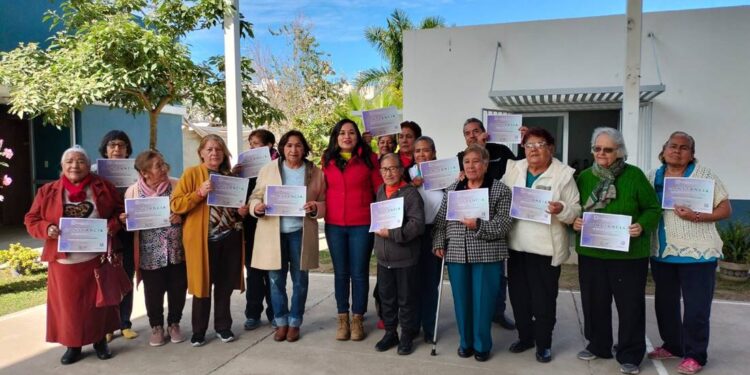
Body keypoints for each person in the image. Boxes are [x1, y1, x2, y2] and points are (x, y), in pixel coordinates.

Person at [572, 127, 661, 375]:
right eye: (597, 148)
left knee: (630, 305)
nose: (602, 153)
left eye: (608, 149)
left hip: (629, 256)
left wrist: (641, 226)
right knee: (594, 302)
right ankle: (598, 345)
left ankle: (630, 353)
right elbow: (574, 208)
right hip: (592, 254)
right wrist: (575, 222)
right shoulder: (585, 177)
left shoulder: (635, 176)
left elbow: (653, 208)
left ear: (620, 151)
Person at [24, 146, 122, 365]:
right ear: (62, 165)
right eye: (69, 161)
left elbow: (119, 212)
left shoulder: (103, 187)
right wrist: (47, 228)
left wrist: (112, 226)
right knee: (69, 308)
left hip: (97, 258)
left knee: (99, 305)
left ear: (88, 165)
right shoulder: (47, 191)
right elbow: (31, 219)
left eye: (80, 161)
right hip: (64, 261)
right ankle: (73, 345)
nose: (74, 165)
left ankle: (100, 342)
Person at [646, 131, 731, 375]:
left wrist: (696, 216)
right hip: (662, 252)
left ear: (692, 154)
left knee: (696, 308)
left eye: (685, 148)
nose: (678, 150)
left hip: (697, 254)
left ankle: (696, 355)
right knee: (665, 305)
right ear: (664, 150)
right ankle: (673, 345)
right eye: (673, 146)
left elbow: (725, 208)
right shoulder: (652, 176)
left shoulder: (704, 175)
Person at [501, 128, 581, 363]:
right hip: (516, 246)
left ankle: (543, 343)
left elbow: (575, 209)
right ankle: (525, 337)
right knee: (519, 297)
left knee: (543, 300)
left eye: (540, 144)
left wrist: (561, 209)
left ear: (551, 148)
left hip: (546, 249)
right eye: (529, 145)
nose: (534, 149)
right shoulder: (514, 170)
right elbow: (502, 197)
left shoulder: (563, 175)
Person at [432, 144, 513, 362]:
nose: (471, 166)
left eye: (476, 161)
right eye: (467, 162)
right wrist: (439, 242)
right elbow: (440, 221)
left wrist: (477, 225)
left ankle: (481, 345)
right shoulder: (453, 189)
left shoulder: (499, 190)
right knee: (462, 301)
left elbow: (504, 224)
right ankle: (465, 342)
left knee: (483, 302)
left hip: (487, 254)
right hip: (457, 253)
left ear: (486, 164)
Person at [171, 134, 248, 347]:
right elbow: (176, 205)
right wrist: (198, 193)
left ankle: (223, 327)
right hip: (202, 241)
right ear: (201, 153)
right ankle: (199, 331)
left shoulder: (230, 177)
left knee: (224, 287)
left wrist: (241, 212)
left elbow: (234, 209)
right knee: (201, 286)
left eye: (219, 149)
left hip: (230, 237)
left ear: (224, 154)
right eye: (210, 149)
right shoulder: (191, 174)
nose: (214, 153)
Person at [249, 130, 326, 342]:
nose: (294, 150)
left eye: (298, 145)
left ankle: (295, 322)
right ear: (282, 147)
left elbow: (324, 202)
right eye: (289, 145)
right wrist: (257, 208)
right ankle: (280, 321)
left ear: (304, 149)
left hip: (300, 233)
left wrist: (314, 207)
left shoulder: (315, 172)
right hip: (273, 234)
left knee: (300, 280)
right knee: (275, 281)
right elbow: (254, 196)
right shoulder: (268, 169)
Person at [322, 119, 383, 341]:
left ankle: (357, 318)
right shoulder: (326, 160)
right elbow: (321, 189)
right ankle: (342, 318)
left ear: (357, 136)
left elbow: (380, 189)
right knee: (341, 273)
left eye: (351, 133)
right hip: (334, 225)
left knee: (359, 273)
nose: (346, 137)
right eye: (342, 133)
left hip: (362, 223)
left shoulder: (370, 159)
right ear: (336, 137)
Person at [457, 117, 519, 330]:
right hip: (468, 226)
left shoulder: (500, 151)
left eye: (476, 131)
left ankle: (497, 312)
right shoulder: (460, 158)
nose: (472, 135)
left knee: (497, 275)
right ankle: (477, 314)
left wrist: (524, 138)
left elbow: (520, 166)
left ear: (484, 132)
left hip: (496, 219)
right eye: (467, 133)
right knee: (472, 282)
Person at [122, 150, 187, 347]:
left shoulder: (177, 185)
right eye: (158, 166)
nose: (164, 168)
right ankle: (156, 327)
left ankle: (174, 324)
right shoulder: (133, 192)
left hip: (177, 251)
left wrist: (181, 216)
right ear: (144, 173)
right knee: (153, 293)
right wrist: (125, 220)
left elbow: (190, 212)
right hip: (149, 254)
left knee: (178, 289)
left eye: (163, 163)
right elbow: (130, 226)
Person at [373, 153, 425, 355]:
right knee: (387, 298)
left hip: (405, 258)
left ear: (402, 170)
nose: (389, 173)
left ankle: (406, 336)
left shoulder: (410, 194)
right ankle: (390, 333)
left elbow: (417, 225)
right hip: (384, 258)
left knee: (406, 300)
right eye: (384, 169)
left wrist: (393, 234)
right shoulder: (380, 190)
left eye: (393, 168)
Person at [96, 130, 139, 342]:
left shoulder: (137, 171)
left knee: (126, 276)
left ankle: (125, 323)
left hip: (130, 231)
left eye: (121, 145)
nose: (116, 149)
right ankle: (107, 326)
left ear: (127, 150)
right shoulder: (95, 173)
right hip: (104, 233)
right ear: (105, 149)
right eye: (112, 145)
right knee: (105, 279)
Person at [408, 136, 448, 343]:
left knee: (431, 283)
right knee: (413, 282)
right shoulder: (407, 174)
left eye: (426, 150)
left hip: (436, 232)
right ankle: (412, 325)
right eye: (417, 151)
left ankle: (429, 326)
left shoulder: (444, 174)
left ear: (433, 152)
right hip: (413, 233)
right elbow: (397, 197)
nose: (421, 154)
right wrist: (411, 186)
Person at [237, 129, 277, 330]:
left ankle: (274, 312)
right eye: (251, 144)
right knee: (253, 272)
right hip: (251, 226)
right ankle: (252, 313)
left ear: (270, 146)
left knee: (272, 271)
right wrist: (235, 174)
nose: (253, 148)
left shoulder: (279, 166)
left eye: (257, 144)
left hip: (272, 225)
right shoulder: (245, 170)